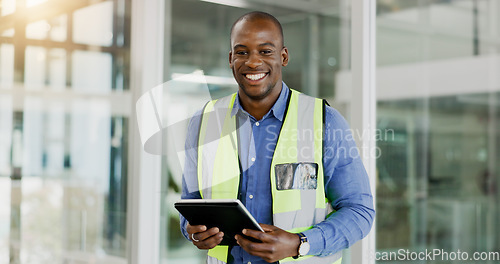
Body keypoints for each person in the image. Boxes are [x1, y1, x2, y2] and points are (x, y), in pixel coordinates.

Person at [180, 11, 375, 264]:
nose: (252, 62)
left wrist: (300, 243)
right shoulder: (203, 121)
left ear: (283, 57)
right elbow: (191, 205)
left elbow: (359, 212)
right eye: (242, 52)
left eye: (265, 51)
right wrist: (193, 232)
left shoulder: (324, 121)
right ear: (231, 59)